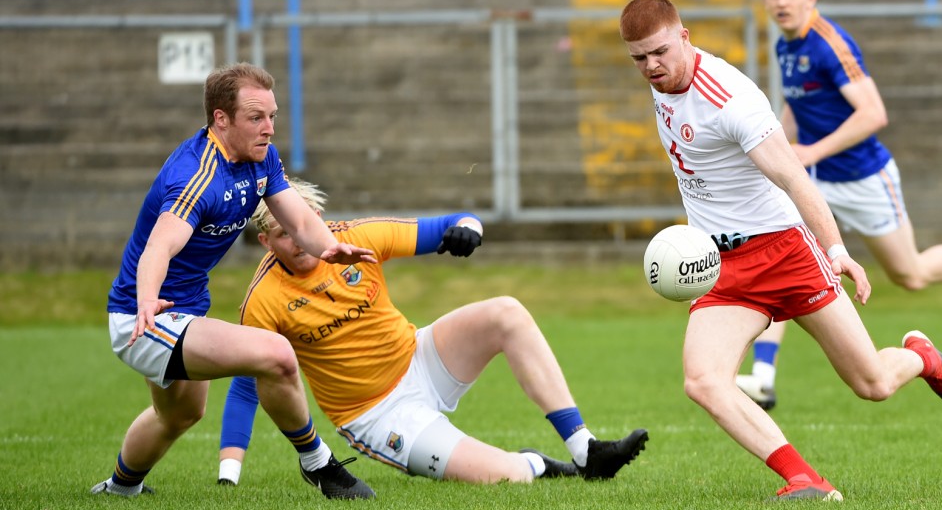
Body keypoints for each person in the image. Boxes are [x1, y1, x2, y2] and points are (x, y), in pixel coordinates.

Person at [620, 0, 942, 502]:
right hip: (721, 267)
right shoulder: (664, 82)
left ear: (684, 37)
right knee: (704, 381)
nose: (651, 66)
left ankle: (922, 357)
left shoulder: (730, 98)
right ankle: (805, 479)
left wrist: (836, 249)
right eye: (639, 58)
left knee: (872, 383)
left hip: (784, 252)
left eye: (660, 52)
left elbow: (793, 178)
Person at [215, 178, 648, 486]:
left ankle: (586, 450)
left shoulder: (359, 237)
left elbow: (457, 221)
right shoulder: (263, 298)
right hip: (378, 414)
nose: (297, 239)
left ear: (318, 217)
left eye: (303, 225)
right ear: (265, 242)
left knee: (507, 312)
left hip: (419, 356)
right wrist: (228, 473)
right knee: (509, 477)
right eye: (283, 234)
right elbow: (248, 385)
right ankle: (536, 463)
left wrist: (468, 231)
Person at [739, 0, 942, 410]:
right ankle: (763, 378)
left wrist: (811, 152)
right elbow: (795, 108)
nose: (782, 2)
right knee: (787, 260)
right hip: (816, 182)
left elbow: (873, 114)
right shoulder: (785, 45)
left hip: (865, 177)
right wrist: (777, 150)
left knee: (911, 274)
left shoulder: (831, 44)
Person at [93, 63, 376, 500]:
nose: (269, 128)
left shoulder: (261, 158)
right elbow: (158, 248)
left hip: (184, 307)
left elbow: (299, 219)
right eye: (255, 117)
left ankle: (120, 489)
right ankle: (319, 464)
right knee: (276, 354)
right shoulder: (198, 176)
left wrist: (328, 248)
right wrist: (147, 300)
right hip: (145, 317)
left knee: (180, 415)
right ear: (221, 119)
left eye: (272, 116)